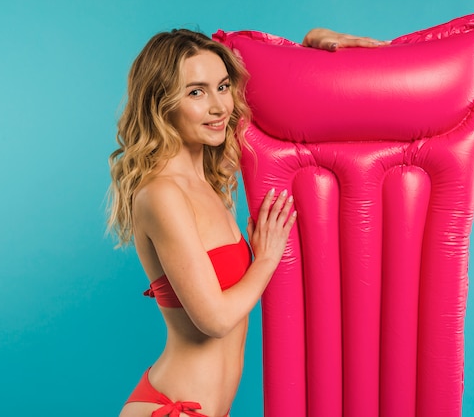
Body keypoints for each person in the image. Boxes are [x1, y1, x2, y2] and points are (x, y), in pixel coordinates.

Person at [107, 27, 386, 417]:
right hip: (172, 409)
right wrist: (267, 259)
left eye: (222, 87)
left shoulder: (209, 171)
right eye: (195, 92)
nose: (219, 107)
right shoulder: (161, 194)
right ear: (161, 102)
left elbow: (285, 97)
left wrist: (313, 47)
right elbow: (215, 320)